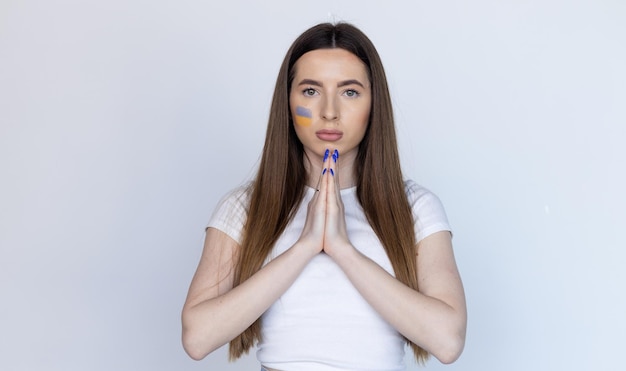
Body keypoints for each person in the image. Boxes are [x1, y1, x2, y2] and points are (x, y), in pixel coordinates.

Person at [182, 22, 466, 371]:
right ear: (288, 103)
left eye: (349, 92)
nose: (329, 111)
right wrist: (305, 246)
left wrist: (342, 249)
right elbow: (197, 338)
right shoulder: (244, 208)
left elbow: (448, 341)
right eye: (311, 91)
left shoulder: (416, 208)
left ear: (373, 104)